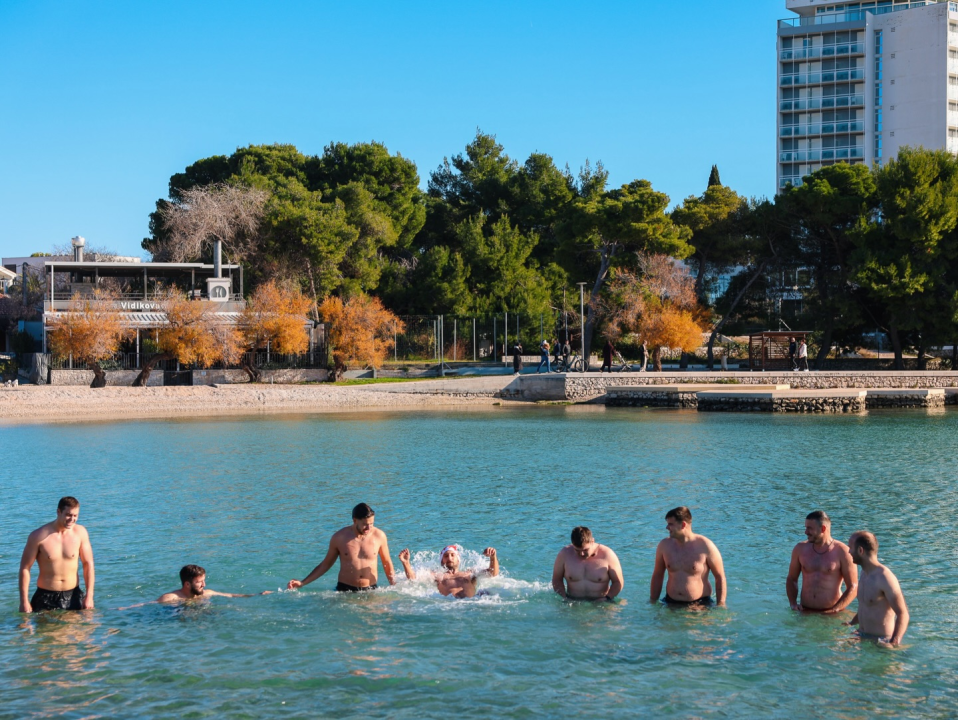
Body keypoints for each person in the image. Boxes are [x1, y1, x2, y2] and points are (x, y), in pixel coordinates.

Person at [287, 503, 396, 592]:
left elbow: (387, 563)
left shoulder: (379, 536)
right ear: (355, 520)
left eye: (371, 523)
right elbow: (326, 564)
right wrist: (303, 582)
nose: (369, 528)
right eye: (365, 524)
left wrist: (394, 586)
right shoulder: (339, 537)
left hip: (371, 589)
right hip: (344, 590)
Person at [19, 496, 94, 613]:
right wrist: (24, 601)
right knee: (49, 631)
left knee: (80, 630)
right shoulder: (38, 536)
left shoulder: (80, 533)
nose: (72, 519)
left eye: (75, 516)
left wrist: (89, 596)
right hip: (46, 597)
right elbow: (25, 568)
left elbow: (88, 564)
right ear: (58, 512)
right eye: (68, 515)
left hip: (73, 594)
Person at [650, 506, 726, 607]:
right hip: (670, 602)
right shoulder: (664, 545)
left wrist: (721, 604)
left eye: (670, 524)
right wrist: (653, 601)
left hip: (700, 605)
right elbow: (658, 575)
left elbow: (719, 577)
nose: (667, 528)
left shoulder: (705, 546)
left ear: (683, 525)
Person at [786, 510, 857, 613]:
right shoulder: (800, 549)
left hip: (832, 614)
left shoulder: (842, 551)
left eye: (809, 528)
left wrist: (835, 609)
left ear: (823, 528)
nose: (806, 532)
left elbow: (853, 587)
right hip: (805, 611)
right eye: (805, 528)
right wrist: (793, 604)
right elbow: (792, 579)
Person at [846, 531, 909, 646]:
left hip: (881, 641)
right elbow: (866, 606)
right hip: (862, 635)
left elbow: (903, 614)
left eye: (850, 547)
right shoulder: (864, 573)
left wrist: (893, 642)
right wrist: (851, 623)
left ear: (860, 551)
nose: (848, 551)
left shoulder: (885, 578)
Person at [397, 545, 498, 598]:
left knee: (486, 593)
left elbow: (492, 573)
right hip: (449, 605)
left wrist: (493, 557)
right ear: (442, 561)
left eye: (452, 555)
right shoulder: (437, 576)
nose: (449, 557)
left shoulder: (469, 573)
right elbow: (413, 578)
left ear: (458, 559)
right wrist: (406, 563)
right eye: (446, 556)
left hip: (472, 603)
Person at [552, 526, 624, 601]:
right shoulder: (564, 554)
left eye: (585, 550)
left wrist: (607, 598)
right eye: (577, 550)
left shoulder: (607, 555)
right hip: (573, 602)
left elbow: (618, 582)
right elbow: (557, 579)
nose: (582, 554)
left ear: (592, 541)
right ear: (572, 544)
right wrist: (564, 598)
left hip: (602, 602)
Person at [153, 565, 273, 603]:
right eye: (199, 582)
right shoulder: (171, 597)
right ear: (187, 584)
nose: (203, 585)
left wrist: (258, 594)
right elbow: (148, 605)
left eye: (204, 581)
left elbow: (231, 595)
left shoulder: (207, 593)